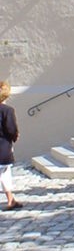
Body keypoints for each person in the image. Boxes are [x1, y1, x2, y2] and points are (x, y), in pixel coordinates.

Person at [0, 81, 22, 211]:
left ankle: (11, 200)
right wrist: (15, 136)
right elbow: (11, 129)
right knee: (5, 174)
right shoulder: (7, 110)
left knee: (4, 174)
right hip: (2, 147)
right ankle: (10, 201)